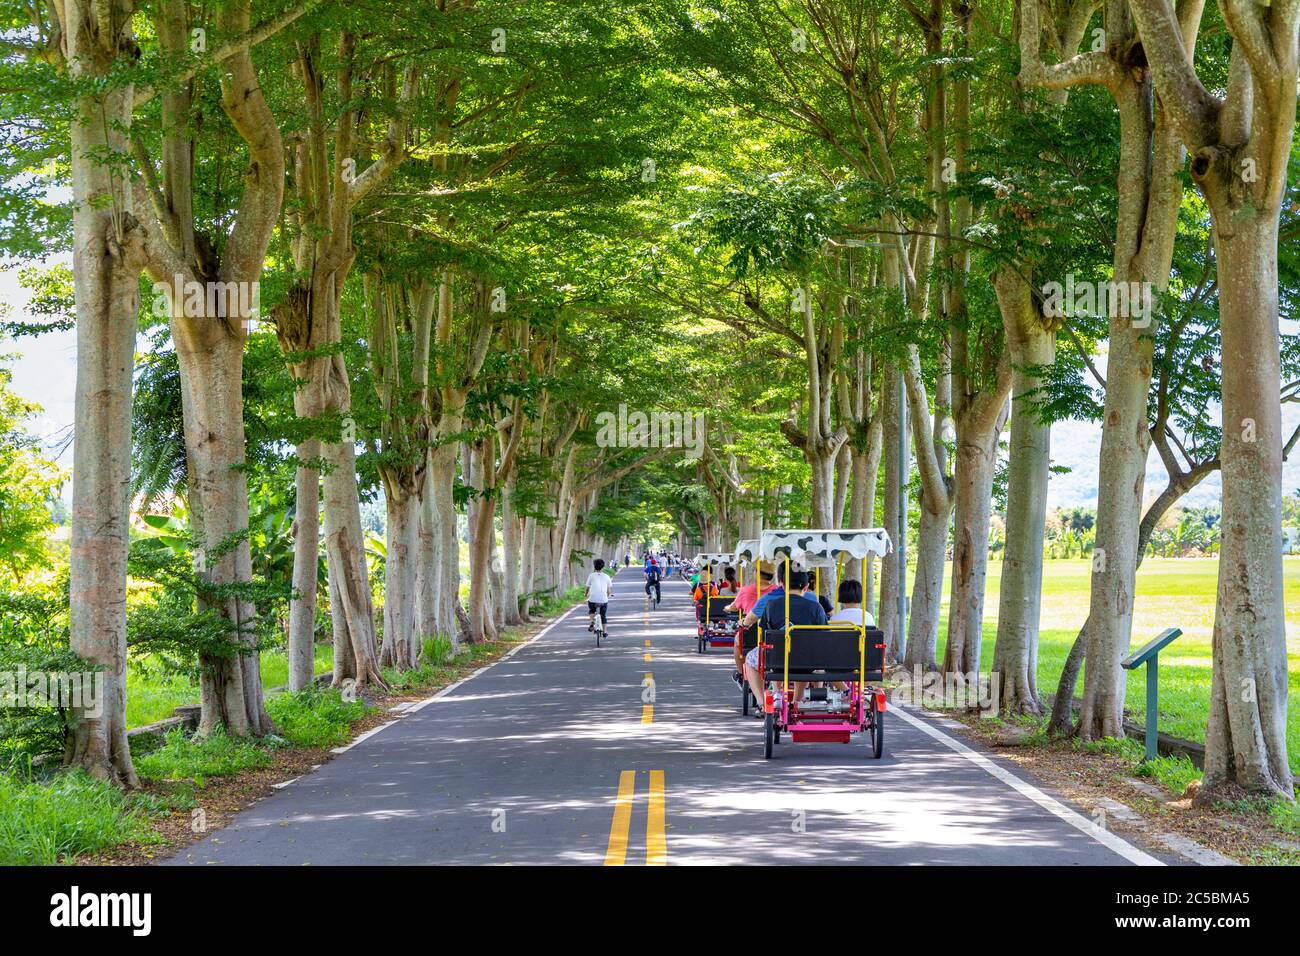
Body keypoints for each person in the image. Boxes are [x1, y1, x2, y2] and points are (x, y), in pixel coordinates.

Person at [739, 568, 827, 717]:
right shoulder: (816, 606)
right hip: (807, 659)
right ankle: (797, 702)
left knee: (749, 660)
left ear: (783, 586)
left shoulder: (771, 605)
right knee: (803, 653)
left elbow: (765, 634)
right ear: (806, 587)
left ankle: (762, 702)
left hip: (777, 657)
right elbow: (824, 636)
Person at [726, 562, 776, 691]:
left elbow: (734, 607)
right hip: (775, 634)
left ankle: (742, 674)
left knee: (738, 642)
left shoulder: (746, 590)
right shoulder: (778, 592)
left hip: (751, 631)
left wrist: (727, 608)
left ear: (757, 574)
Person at [585, 558, 613, 634]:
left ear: (594, 566)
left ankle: (591, 622)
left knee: (592, 610)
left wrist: (585, 594)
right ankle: (605, 632)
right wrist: (609, 595)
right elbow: (608, 589)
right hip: (603, 600)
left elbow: (587, 587)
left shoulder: (591, 575)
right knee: (603, 616)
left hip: (593, 598)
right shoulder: (607, 576)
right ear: (603, 567)